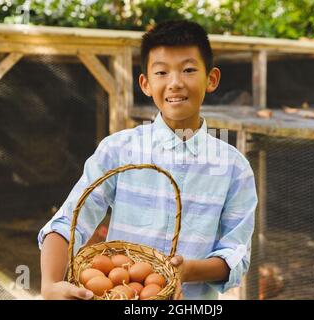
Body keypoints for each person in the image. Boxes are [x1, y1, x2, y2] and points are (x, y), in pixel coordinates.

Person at [38, 20, 258, 300]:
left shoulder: (233, 167)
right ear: (146, 83)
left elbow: (236, 253)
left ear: (211, 79)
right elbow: (69, 221)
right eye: (162, 72)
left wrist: (188, 270)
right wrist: (49, 284)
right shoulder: (119, 149)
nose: (175, 83)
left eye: (189, 70)